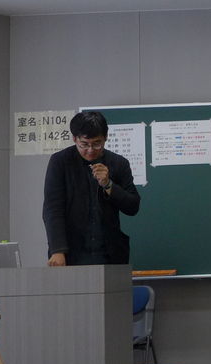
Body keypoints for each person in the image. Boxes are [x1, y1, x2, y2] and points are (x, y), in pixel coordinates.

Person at [43, 110, 140, 266]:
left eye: (97, 143)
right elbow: (52, 209)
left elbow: (133, 206)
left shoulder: (118, 163)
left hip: (110, 253)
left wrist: (108, 185)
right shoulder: (60, 162)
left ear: (106, 137)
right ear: (75, 139)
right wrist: (57, 250)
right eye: (84, 144)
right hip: (71, 252)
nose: (90, 150)